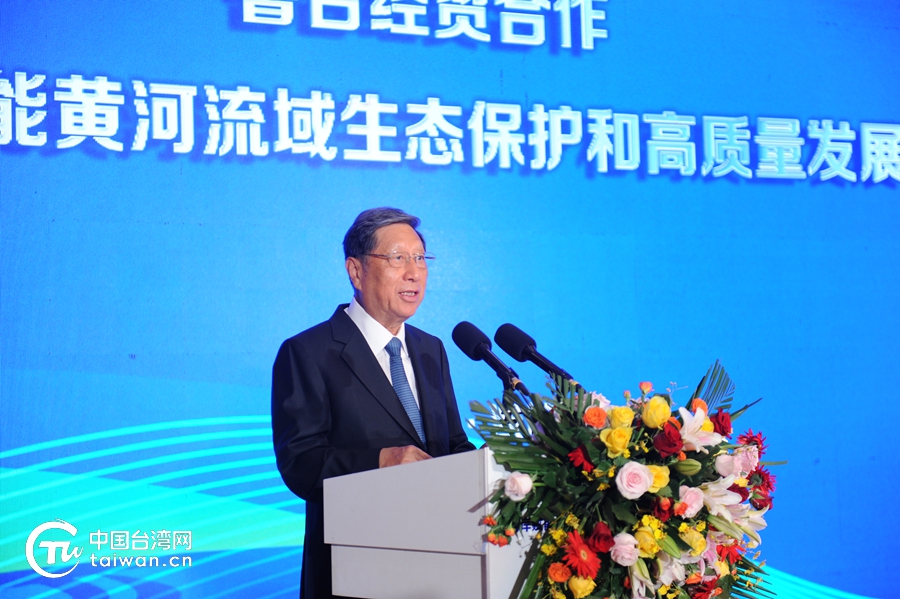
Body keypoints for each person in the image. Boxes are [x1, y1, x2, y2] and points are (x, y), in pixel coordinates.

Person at [271, 207, 476, 599]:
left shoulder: (431, 349)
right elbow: (300, 463)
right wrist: (382, 461)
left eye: (420, 258)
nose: (414, 272)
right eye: (398, 258)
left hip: (441, 567)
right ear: (356, 271)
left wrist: (496, 469)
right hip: (353, 573)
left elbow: (452, 445)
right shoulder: (309, 352)